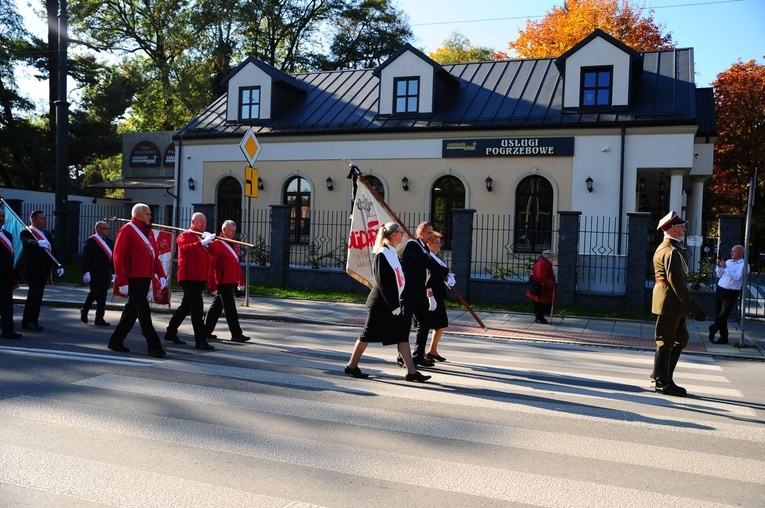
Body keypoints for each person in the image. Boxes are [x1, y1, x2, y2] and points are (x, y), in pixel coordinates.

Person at [345, 222, 430, 382]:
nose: (403, 235)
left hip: (392, 305)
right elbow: (383, 283)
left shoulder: (392, 253)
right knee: (367, 335)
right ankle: (351, 366)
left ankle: (411, 372)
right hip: (380, 305)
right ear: (393, 235)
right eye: (400, 233)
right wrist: (394, 306)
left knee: (402, 335)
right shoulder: (382, 254)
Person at [651, 210, 705, 397]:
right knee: (665, 340)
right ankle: (662, 382)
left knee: (681, 339)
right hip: (669, 302)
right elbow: (678, 285)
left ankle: (664, 375)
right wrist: (694, 307)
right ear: (673, 230)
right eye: (681, 226)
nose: (685, 229)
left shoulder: (666, 249)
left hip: (672, 303)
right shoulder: (670, 252)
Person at [107, 203, 167, 357]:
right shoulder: (128, 229)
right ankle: (154, 346)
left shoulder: (148, 231)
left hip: (145, 277)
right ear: (138, 215)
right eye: (147, 214)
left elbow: (153, 256)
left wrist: (161, 274)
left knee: (132, 311)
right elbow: (118, 256)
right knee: (143, 311)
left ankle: (116, 341)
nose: (150, 216)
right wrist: (123, 281)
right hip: (133, 278)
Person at [400, 221, 451, 367]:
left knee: (425, 322)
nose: (431, 235)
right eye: (429, 233)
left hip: (420, 292)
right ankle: (401, 357)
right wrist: (445, 271)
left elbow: (430, 266)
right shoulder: (413, 245)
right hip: (409, 292)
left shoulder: (424, 248)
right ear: (420, 233)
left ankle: (418, 356)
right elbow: (426, 263)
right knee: (405, 325)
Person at [164, 212, 216, 350]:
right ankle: (200, 340)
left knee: (186, 306)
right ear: (193, 222)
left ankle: (171, 331)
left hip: (198, 278)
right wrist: (203, 242)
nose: (204, 225)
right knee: (197, 309)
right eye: (201, 222)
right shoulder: (185, 235)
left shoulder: (200, 236)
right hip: (189, 277)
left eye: (205, 222)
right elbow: (186, 250)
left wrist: (209, 242)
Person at [205, 220, 250, 342]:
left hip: (230, 278)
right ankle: (236, 334)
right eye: (231, 231)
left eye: (234, 231)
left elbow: (236, 262)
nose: (233, 233)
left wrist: (240, 279)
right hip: (222, 279)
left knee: (217, 306)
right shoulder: (218, 243)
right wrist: (212, 282)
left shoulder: (232, 243)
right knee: (230, 307)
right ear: (224, 230)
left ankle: (206, 330)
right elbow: (213, 263)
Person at [19, 210, 63, 331]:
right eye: (41, 218)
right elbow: (26, 242)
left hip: (43, 269)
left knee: (36, 295)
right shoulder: (27, 232)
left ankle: (27, 320)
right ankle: (31, 321)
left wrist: (59, 265)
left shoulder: (47, 234)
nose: (44, 220)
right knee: (35, 294)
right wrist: (37, 243)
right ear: (33, 220)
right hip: (31, 269)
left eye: (45, 218)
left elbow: (53, 250)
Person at [708, 244, 747, 344]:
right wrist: (719, 267)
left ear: (741, 253)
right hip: (721, 290)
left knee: (723, 314)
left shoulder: (743, 265)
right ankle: (724, 337)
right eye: (731, 251)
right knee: (719, 314)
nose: (731, 253)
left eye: (734, 251)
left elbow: (737, 277)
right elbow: (719, 275)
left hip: (731, 293)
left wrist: (725, 268)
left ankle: (713, 328)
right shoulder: (729, 262)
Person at [80, 221, 114, 326]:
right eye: (105, 229)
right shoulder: (91, 241)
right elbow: (85, 258)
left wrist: (114, 272)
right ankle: (85, 310)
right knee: (95, 292)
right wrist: (85, 272)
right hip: (94, 272)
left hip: (105, 273)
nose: (108, 231)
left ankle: (99, 318)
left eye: (108, 229)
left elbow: (112, 258)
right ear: (98, 229)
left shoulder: (109, 241)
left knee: (103, 296)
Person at [425, 231, 451, 362]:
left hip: (438, 294)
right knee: (425, 325)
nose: (439, 246)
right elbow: (427, 276)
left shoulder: (436, 258)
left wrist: (449, 277)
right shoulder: (427, 257)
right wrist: (429, 294)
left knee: (440, 324)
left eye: (440, 243)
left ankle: (432, 350)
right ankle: (421, 352)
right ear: (428, 243)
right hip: (430, 296)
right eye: (436, 243)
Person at [0, 209, 22, 339]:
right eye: (0, 216)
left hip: (6, 276)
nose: (2, 218)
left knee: (7, 304)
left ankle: (8, 330)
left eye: (3, 216)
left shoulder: (7, 234)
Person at [527, 250, 557, 324]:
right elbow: (541, 277)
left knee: (540, 302)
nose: (553, 259)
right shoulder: (542, 264)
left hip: (542, 287)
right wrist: (551, 283)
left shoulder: (543, 263)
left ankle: (540, 316)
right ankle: (539, 317)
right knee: (539, 303)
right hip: (540, 288)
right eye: (552, 257)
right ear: (548, 257)